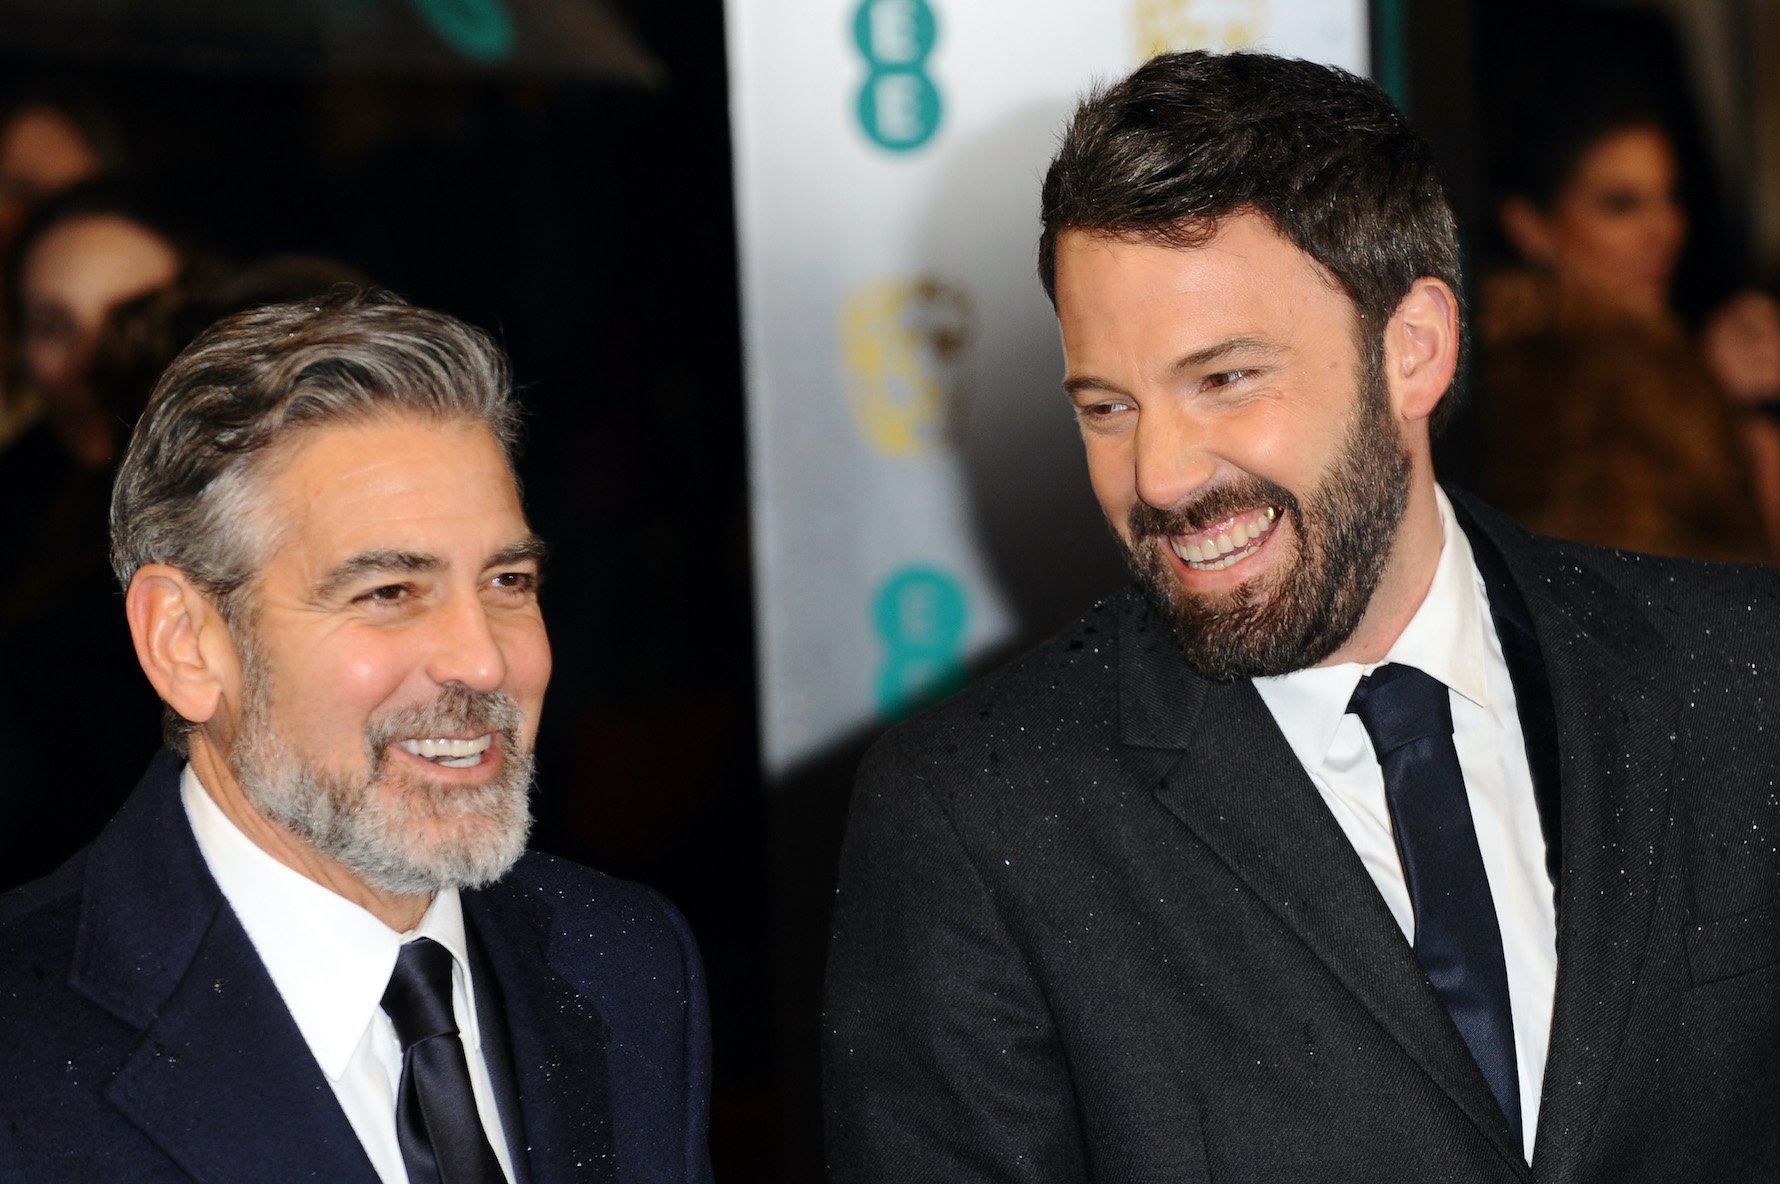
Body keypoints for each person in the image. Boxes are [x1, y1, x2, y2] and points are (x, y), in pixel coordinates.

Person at [824, 51, 1780, 1182]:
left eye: (1225, 378)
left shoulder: (1741, 676)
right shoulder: (977, 815)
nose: (1162, 474)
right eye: (1108, 405)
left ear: (1413, 349)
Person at [0, 288, 715, 1182]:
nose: (483, 662)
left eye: (508, 581)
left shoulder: (626, 960)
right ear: (185, 643)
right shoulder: (22, 1054)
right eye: (388, 592)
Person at [1483, 101, 1780, 560]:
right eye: (1621, 205)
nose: (1666, 229)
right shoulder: (1546, 382)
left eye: (1672, 197)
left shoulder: (1665, 356)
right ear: (1531, 226)